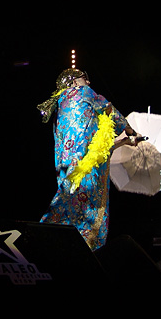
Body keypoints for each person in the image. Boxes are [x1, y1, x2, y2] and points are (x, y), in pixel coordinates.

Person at [37, 69, 139, 250]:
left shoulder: (59, 106)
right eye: (85, 79)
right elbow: (110, 110)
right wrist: (131, 130)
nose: (89, 83)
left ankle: (44, 238)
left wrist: (123, 142)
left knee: (67, 201)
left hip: (68, 169)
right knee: (88, 209)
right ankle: (86, 250)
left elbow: (90, 144)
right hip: (87, 169)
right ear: (74, 82)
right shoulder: (84, 93)